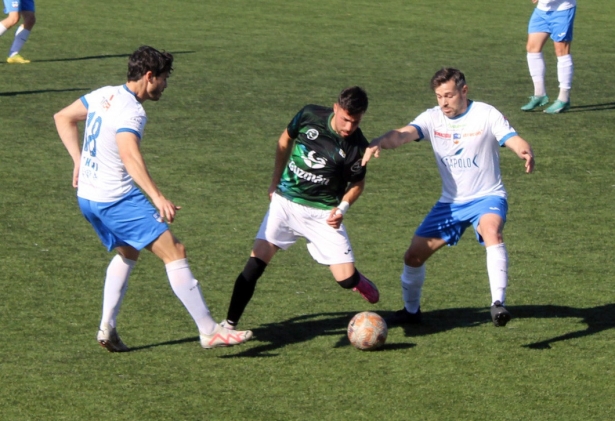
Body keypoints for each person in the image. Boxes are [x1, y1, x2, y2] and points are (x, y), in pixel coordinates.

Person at [53, 45, 252, 352]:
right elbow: (129, 154)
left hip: (88, 197)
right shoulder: (132, 110)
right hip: (114, 198)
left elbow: (62, 116)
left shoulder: (104, 94)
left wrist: (78, 160)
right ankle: (209, 331)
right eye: (164, 78)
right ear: (149, 76)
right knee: (174, 251)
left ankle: (107, 328)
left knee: (128, 251)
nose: (166, 85)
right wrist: (157, 197)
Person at [362, 68, 535, 327]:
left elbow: (511, 138)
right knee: (413, 257)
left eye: (449, 95)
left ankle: (497, 304)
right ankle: (411, 312)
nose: (443, 102)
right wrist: (378, 141)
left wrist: (524, 151)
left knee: (491, 231)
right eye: (439, 96)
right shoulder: (432, 118)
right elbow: (401, 135)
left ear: (464, 91)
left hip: (487, 196)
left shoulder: (486, 114)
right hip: (450, 204)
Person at [220, 86, 379, 330]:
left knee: (345, 280)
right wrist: (274, 182)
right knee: (254, 264)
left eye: (355, 122)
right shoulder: (309, 116)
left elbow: (358, 183)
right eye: (345, 119)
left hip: (322, 214)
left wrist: (343, 208)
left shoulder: (357, 147)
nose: (349, 127)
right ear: (336, 108)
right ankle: (228, 325)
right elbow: (285, 139)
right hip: (285, 204)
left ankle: (356, 280)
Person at [520, 0, 577, 114]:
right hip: (542, 11)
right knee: (532, 48)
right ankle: (539, 94)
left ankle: (563, 98)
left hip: (562, 10)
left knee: (561, 50)